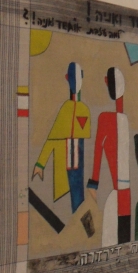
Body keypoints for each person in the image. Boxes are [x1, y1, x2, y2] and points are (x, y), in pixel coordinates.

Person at [32, 62, 91, 214]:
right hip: (68, 161)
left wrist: (40, 164)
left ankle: (80, 223)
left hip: (78, 162)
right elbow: (53, 138)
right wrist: (40, 163)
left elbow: (54, 138)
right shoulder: (68, 108)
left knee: (78, 197)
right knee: (74, 198)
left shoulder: (81, 109)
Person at [87, 67, 131, 246]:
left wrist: (93, 183)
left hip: (118, 195)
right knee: (122, 242)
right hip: (126, 195)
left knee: (111, 243)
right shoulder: (124, 120)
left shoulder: (105, 119)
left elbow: (98, 150)